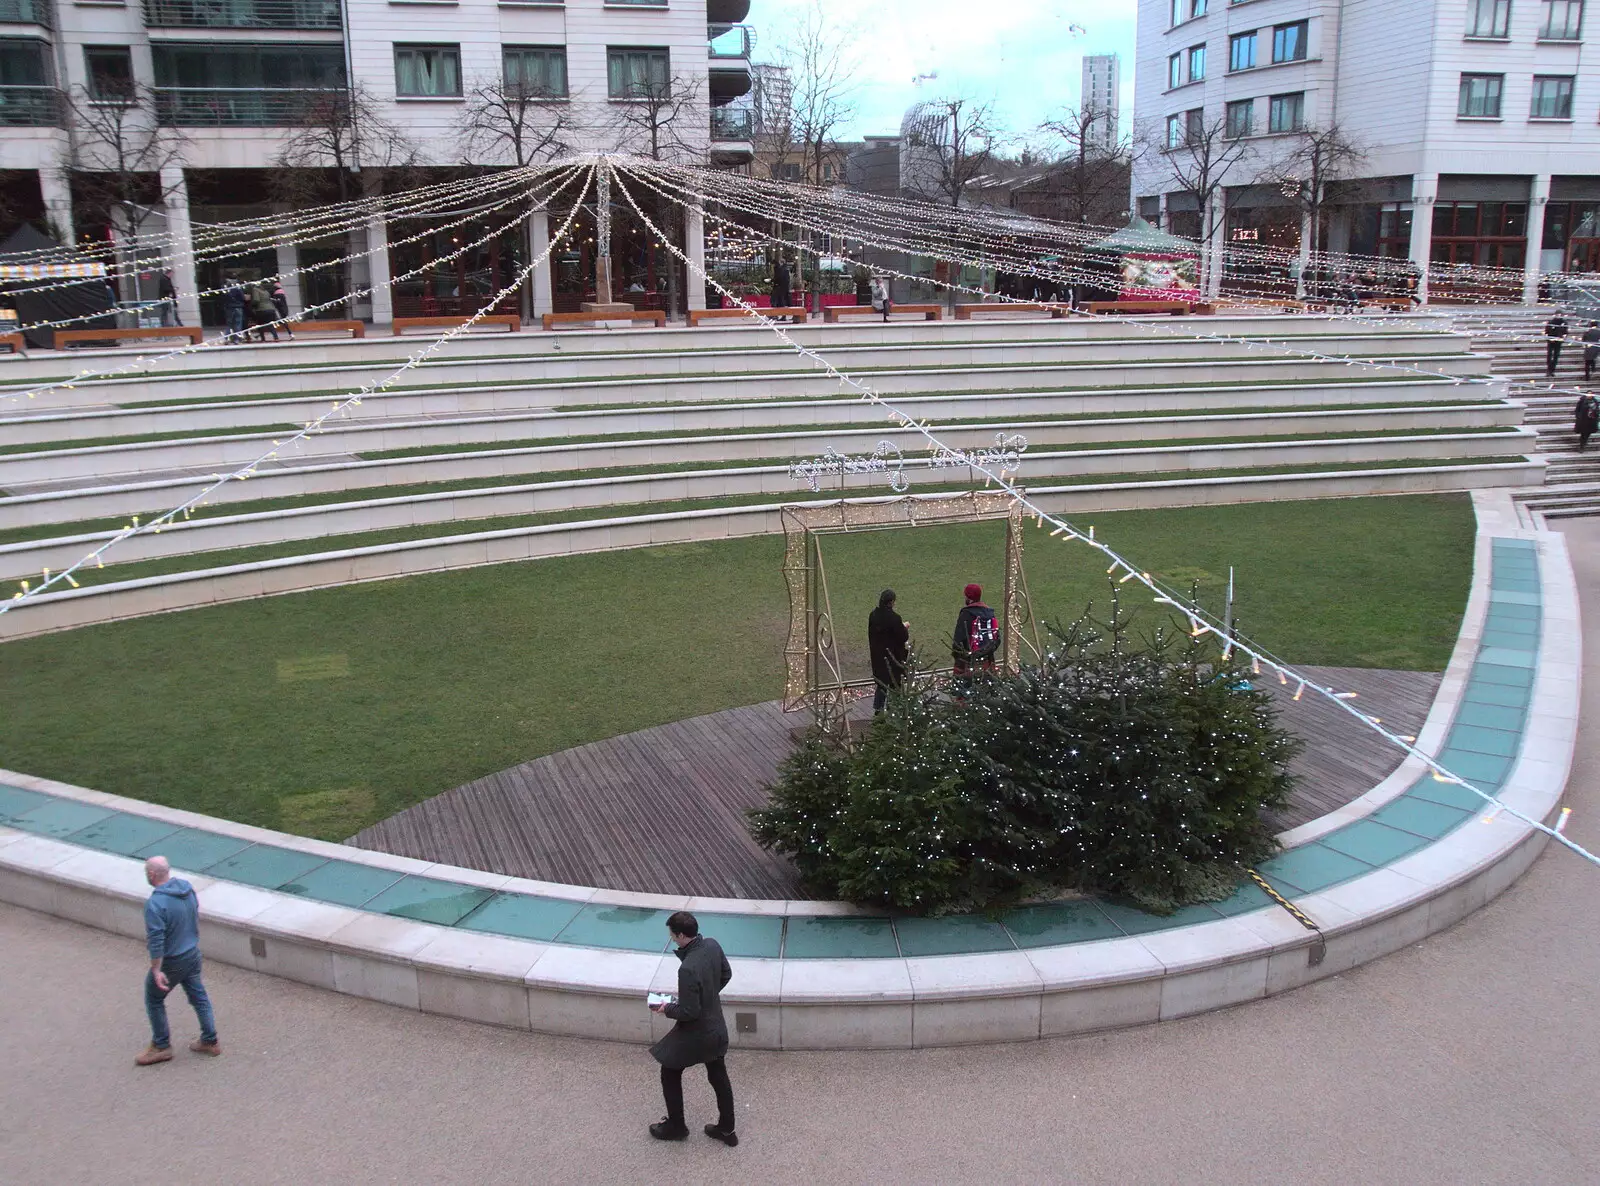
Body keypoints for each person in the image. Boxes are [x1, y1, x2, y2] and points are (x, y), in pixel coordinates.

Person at [648, 911, 737, 1147]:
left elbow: (689, 1013)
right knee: (718, 1073)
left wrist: (666, 1008)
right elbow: (726, 974)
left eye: (673, 936)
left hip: (697, 1033)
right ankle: (727, 1130)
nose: (672, 940)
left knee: (669, 1070)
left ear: (681, 935)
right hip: (716, 1027)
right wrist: (705, 995)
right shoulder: (712, 945)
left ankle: (676, 1126)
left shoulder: (687, 968)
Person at [136, 856, 220, 1066]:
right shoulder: (187, 889)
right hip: (192, 953)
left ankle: (161, 1045)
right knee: (198, 996)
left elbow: (156, 940)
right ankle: (210, 1040)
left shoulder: (155, 904)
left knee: (154, 999)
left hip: (172, 961)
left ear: (152, 875)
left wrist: (156, 969)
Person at [951, 582, 999, 697]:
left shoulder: (966, 614)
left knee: (964, 695)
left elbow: (959, 639)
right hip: (987, 660)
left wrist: (957, 655)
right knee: (986, 693)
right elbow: (997, 638)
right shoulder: (990, 613)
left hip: (968, 661)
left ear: (968, 598)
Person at [868, 588, 910, 714]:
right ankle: (894, 711)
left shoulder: (874, 615)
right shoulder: (894, 618)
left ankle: (878, 710)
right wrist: (904, 627)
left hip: (878, 656)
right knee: (894, 684)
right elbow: (903, 637)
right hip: (893, 657)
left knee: (881, 684)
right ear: (891, 602)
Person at [221, 276, 247, 343]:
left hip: (229, 308)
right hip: (238, 307)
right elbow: (242, 297)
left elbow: (223, 298)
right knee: (238, 324)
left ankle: (226, 339)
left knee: (229, 324)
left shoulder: (225, 289)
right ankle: (237, 339)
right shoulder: (238, 288)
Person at [1546, 312, 1569, 377]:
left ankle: (1552, 370)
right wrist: (1549, 338)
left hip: (1558, 341)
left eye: (1559, 315)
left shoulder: (1564, 323)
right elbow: (1547, 331)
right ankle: (1549, 369)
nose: (1558, 316)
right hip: (1551, 341)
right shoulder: (1551, 322)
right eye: (1557, 315)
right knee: (1549, 355)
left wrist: (1564, 336)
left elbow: (1565, 332)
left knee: (1556, 356)